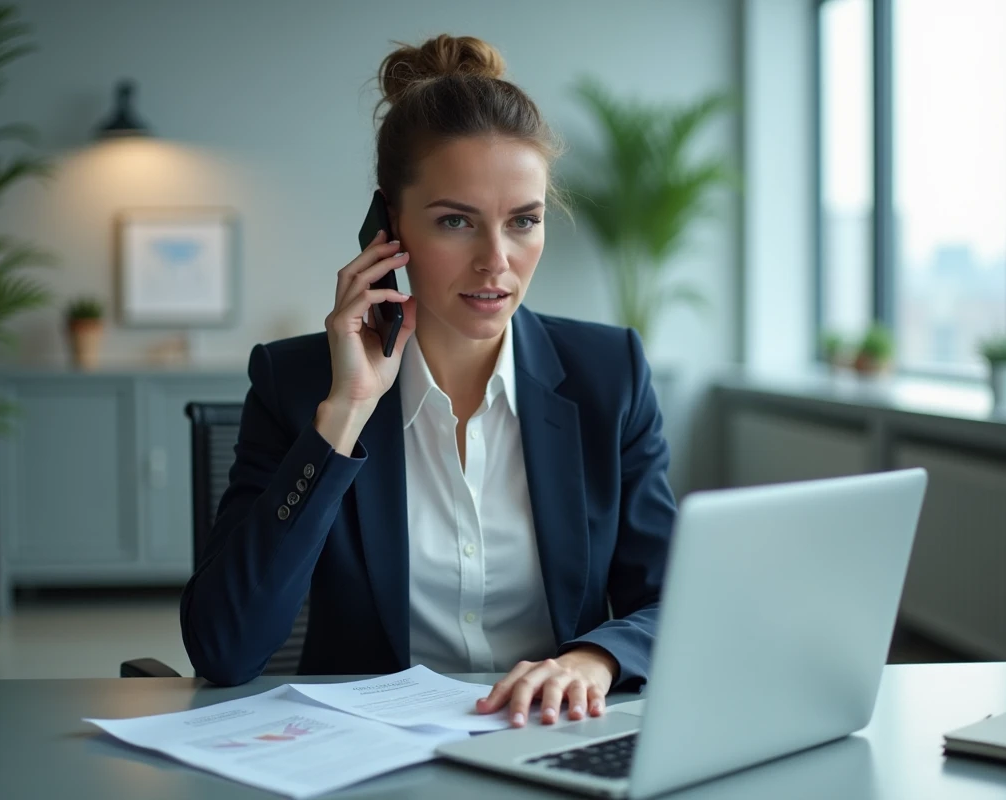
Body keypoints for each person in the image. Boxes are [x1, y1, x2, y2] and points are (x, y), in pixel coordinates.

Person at [181, 33, 677, 729]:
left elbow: (674, 598)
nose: (496, 262)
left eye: (523, 222)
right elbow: (224, 648)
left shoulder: (609, 376)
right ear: (390, 225)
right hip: (367, 753)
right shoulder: (298, 383)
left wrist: (591, 659)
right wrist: (344, 415)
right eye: (455, 222)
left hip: (548, 739)